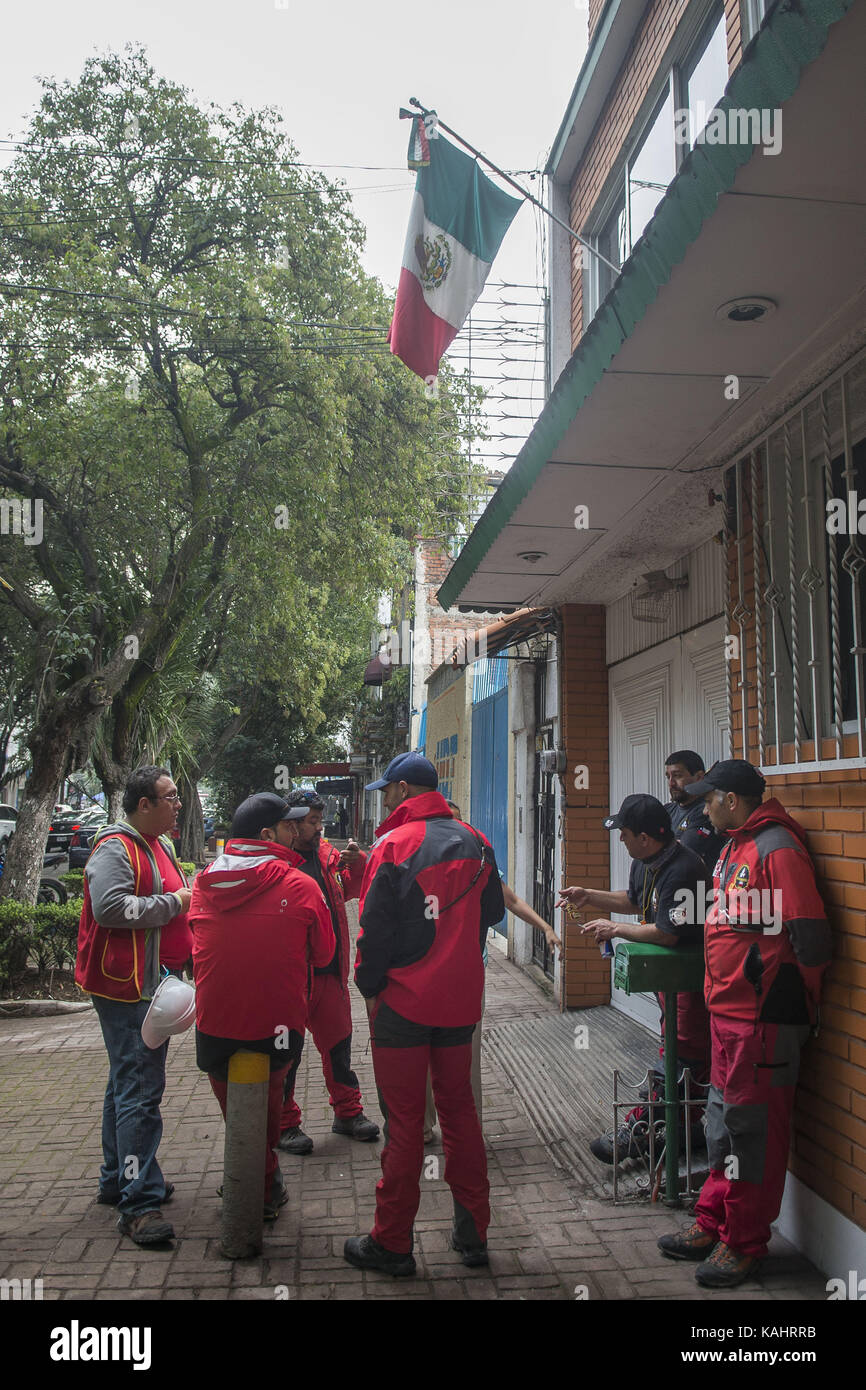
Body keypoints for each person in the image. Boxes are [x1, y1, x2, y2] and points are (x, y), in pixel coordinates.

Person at [656, 760, 832, 1289]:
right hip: (728, 1016)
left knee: (751, 1134)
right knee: (721, 1125)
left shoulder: (776, 846)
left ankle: (745, 1242)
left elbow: (812, 939)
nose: (701, 805)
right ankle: (713, 1221)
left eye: (709, 798)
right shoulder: (737, 844)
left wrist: (793, 1004)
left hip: (763, 1022)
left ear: (732, 800)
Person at [343, 753, 504, 1278]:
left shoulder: (393, 846)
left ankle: (392, 1243)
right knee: (460, 1115)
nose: (385, 798)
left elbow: (373, 933)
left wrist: (369, 989)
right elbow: (494, 914)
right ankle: (473, 1235)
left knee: (406, 1123)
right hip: (459, 1004)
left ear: (405, 789)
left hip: (403, 1006)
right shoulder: (477, 841)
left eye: (388, 790)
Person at [189, 793, 335, 1221]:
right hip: (279, 1030)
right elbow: (324, 956)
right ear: (269, 834)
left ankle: (257, 1178)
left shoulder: (201, 883)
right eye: (291, 826)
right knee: (269, 1106)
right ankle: (263, 1178)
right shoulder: (301, 885)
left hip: (213, 1028)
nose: (299, 832)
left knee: (235, 1110)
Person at [557, 793, 709, 1165]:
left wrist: (616, 930)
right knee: (671, 1045)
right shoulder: (645, 861)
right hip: (665, 978)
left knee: (684, 1054)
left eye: (624, 833)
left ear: (644, 837)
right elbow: (633, 900)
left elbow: (667, 933)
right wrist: (588, 895)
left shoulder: (684, 868)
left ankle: (642, 1129)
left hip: (691, 979)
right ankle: (682, 1131)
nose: (620, 840)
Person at [75, 766, 192, 1247]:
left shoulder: (157, 844)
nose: (177, 803)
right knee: (140, 1094)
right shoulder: (115, 848)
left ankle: (116, 1179)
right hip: (128, 992)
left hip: (149, 987)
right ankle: (137, 1203)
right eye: (169, 797)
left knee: (125, 1084)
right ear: (143, 804)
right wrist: (175, 903)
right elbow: (110, 908)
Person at [422, 799, 561, 1143]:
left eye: (457, 822)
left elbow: (509, 900)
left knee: (466, 1053)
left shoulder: (479, 860)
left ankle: (470, 1130)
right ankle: (423, 1126)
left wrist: (545, 927)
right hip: (425, 974)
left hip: (469, 971)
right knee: (423, 1051)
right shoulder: (420, 860)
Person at [276, 790, 379, 1151]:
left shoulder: (327, 857)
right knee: (286, 1053)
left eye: (320, 820)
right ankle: (284, 1124)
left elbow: (352, 889)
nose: (320, 828)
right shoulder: (277, 862)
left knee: (339, 1046)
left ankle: (348, 1113)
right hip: (290, 978)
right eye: (312, 822)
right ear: (291, 824)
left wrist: (358, 863)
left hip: (329, 974)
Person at [664, 750, 726, 873]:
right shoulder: (667, 810)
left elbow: (685, 851)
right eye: (668, 777)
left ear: (699, 777)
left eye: (677, 776)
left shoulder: (707, 811)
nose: (671, 783)